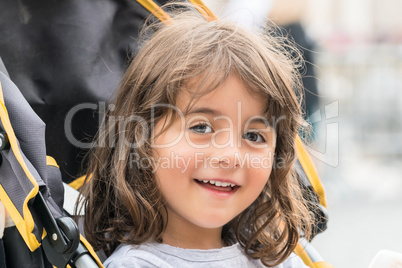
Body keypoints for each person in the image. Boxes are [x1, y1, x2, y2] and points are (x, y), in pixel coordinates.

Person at [79, 5, 311, 268]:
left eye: (253, 136)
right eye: (201, 128)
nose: (230, 156)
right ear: (140, 140)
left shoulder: (278, 259)